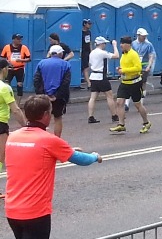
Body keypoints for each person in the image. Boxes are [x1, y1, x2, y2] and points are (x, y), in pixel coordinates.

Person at [4, 95, 102, 239]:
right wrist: (94, 156)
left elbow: (34, 157)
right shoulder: (49, 140)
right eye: (50, 111)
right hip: (35, 213)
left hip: (12, 211)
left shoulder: (13, 137)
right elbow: (82, 160)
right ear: (45, 115)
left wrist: (64, 151)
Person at [110, 37, 151, 134]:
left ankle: (146, 122)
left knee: (137, 104)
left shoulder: (133, 54)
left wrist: (124, 70)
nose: (121, 45)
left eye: (123, 43)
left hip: (134, 83)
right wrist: (120, 69)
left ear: (128, 44)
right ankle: (121, 125)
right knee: (119, 102)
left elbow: (138, 68)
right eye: (120, 43)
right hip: (125, 82)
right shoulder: (123, 55)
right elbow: (126, 66)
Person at [0, 58, 26, 194]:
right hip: (1, 124)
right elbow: (15, 109)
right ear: (4, 69)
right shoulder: (5, 87)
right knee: (0, 157)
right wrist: (26, 125)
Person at [32, 46, 70, 138]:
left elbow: (36, 80)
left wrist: (42, 94)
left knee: (40, 118)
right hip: (59, 97)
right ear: (60, 54)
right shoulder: (66, 64)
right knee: (58, 118)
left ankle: (41, 139)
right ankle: (57, 139)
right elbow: (66, 82)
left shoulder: (41, 63)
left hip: (43, 96)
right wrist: (57, 95)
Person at [86, 37, 120, 124]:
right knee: (109, 96)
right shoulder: (102, 53)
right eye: (104, 43)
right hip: (101, 76)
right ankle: (114, 115)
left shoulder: (92, 53)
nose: (105, 45)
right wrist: (115, 45)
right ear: (101, 44)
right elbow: (116, 56)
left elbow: (90, 65)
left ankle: (90, 116)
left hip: (93, 76)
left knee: (93, 97)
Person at [1, 34, 30, 102]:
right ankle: (7, 101)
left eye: (20, 39)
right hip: (9, 69)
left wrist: (21, 60)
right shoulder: (7, 47)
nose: (20, 40)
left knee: (19, 85)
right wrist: (7, 61)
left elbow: (28, 59)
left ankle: (18, 103)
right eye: (18, 39)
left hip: (20, 69)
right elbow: (2, 57)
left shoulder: (24, 47)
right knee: (6, 84)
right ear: (13, 40)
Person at [80, 19, 93, 87]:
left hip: (87, 51)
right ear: (85, 24)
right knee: (85, 67)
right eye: (89, 24)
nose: (90, 25)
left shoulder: (89, 32)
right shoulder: (80, 32)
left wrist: (91, 51)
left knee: (86, 67)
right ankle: (89, 83)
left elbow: (90, 42)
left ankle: (87, 82)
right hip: (83, 51)